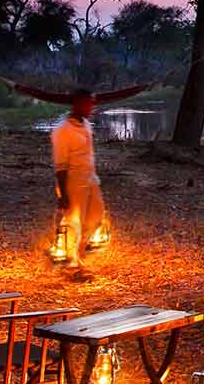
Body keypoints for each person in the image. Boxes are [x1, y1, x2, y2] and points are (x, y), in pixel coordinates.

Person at [14, 81, 147, 280]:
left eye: (92, 104)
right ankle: (71, 265)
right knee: (73, 222)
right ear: (76, 104)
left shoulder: (84, 122)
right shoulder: (62, 130)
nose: (92, 107)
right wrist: (63, 194)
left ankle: (78, 253)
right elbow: (60, 165)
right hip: (73, 180)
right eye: (88, 104)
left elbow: (112, 96)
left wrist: (140, 88)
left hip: (90, 178)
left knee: (96, 216)